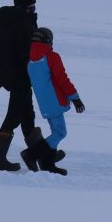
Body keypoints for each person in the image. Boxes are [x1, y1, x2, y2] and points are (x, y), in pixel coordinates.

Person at [0, 0, 61, 173]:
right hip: (19, 75)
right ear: (22, 7)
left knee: (27, 116)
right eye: (31, 7)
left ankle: (40, 154)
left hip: (12, 73)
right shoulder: (21, 24)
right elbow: (26, 53)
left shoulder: (10, 21)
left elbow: (3, 51)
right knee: (13, 117)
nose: (34, 9)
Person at [28, 26, 84, 166]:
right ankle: (31, 154)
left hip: (44, 103)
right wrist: (75, 98)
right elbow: (62, 79)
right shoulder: (51, 57)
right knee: (60, 132)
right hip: (55, 101)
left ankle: (48, 164)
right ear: (48, 41)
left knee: (55, 131)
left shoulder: (30, 61)